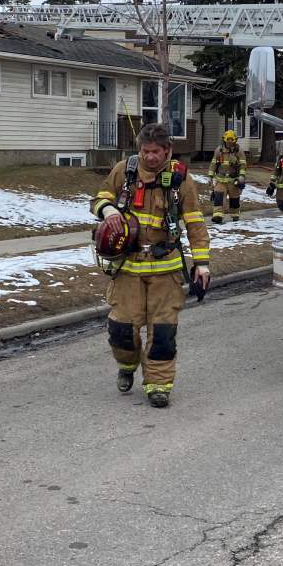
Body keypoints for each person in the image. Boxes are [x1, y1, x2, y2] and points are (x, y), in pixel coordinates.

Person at [90, 122, 211, 407]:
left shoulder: (180, 179)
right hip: (128, 268)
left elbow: (194, 222)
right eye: (146, 151)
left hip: (165, 270)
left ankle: (158, 385)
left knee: (162, 333)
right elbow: (100, 198)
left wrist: (202, 263)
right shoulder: (125, 171)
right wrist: (109, 211)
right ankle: (127, 365)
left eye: (156, 151)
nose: (150, 157)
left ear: (168, 150)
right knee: (122, 331)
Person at [208, 129, 247, 224]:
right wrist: (210, 176)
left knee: (234, 198)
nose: (229, 144)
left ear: (235, 141)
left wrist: (241, 176)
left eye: (231, 142)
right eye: (227, 141)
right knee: (218, 197)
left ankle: (235, 215)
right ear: (224, 140)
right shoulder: (219, 150)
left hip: (233, 180)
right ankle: (218, 216)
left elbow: (243, 164)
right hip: (221, 179)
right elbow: (213, 163)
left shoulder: (239, 151)